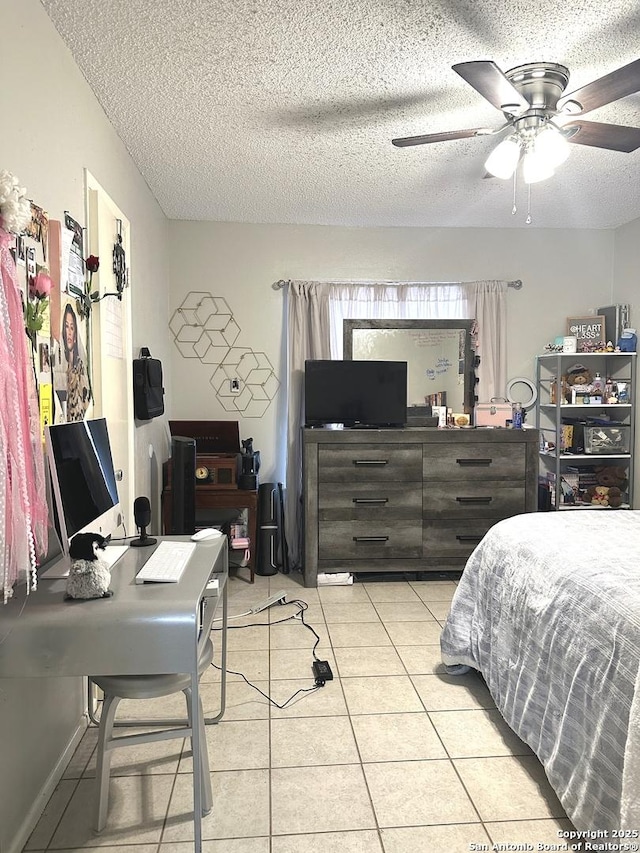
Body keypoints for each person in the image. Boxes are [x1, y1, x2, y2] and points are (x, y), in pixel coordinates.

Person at [62, 302, 90, 421]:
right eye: (66, 326)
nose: (69, 332)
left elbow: (86, 403)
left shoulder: (80, 367)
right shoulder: (62, 365)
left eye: (72, 328)